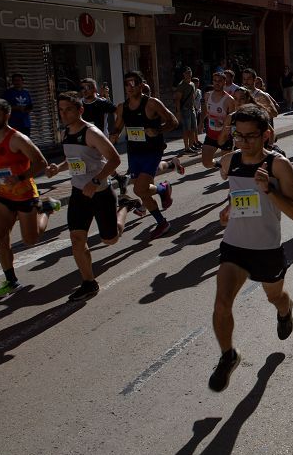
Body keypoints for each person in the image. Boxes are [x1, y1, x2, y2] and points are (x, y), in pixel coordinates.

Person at [209, 104, 293, 391]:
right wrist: (228, 209)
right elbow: (238, 193)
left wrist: (269, 190)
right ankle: (228, 355)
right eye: (239, 135)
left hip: (266, 249)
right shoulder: (229, 162)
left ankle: (285, 311)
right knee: (222, 302)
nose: (244, 142)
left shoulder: (278, 166)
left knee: (275, 298)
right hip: (235, 246)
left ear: (266, 135)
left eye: (251, 136)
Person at [0, 98, 59, 298]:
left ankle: (47, 209)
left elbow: (40, 162)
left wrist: (20, 177)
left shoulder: (18, 139)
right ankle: (11, 281)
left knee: (30, 240)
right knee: (0, 237)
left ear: (6, 115)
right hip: (3, 195)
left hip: (25, 194)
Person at [46, 93, 132, 302]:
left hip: (100, 192)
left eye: (68, 109)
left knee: (109, 239)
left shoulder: (91, 133)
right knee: (77, 238)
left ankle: (125, 207)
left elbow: (114, 159)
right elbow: (73, 159)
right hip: (78, 193)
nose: (63, 114)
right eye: (61, 110)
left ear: (80, 110)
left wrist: (95, 182)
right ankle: (88, 283)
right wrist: (58, 167)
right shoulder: (66, 132)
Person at [109, 70, 181, 239]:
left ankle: (162, 223)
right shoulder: (122, 107)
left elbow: (174, 122)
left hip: (152, 151)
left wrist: (157, 130)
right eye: (126, 84)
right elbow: (118, 127)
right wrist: (113, 135)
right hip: (134, 152)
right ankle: (163, 189)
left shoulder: (152, 103)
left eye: (133, 83)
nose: (129, 87)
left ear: (141, 85)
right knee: (140, 188)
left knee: (139, 189)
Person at [201, 71, 236, 169]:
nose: (217, 83)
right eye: (215, 81)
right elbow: (206, 112)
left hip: (225, 136)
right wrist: (200, 124)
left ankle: (227, 169)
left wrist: (235, 137)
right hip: (211, 135)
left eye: (220, 81)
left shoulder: (229, 100)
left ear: (224, 82)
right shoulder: (207, 95)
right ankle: (218, 165)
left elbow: (233, 121)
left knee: (228, 166)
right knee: (206, 163)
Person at [174, 67, 200, 154]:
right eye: (187, 73)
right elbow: (177, 99)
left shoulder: (192, 84)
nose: (189, 74)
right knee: (186, 130)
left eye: (190, 72)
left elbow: (193, 96)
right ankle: (186, 147)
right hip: (185, 110)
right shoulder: (181, 85)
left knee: (193, 128)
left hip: (192, 109)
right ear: (184, 74)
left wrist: (195, 107)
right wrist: (178, 112)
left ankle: (191, 145)